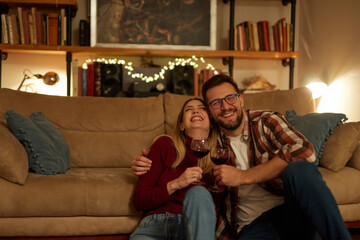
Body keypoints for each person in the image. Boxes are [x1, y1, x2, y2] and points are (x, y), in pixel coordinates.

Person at [131, 74, 351, 240]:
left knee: (299, 168)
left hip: (288, 214)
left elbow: (305, 151)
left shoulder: (266, 121)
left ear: (241, 100)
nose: (225, 106)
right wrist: (145, 162)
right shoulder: (211, 144)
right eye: (216, 103)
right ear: (211, 112)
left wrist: (243, 176)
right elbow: (181, 154)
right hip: (250, 227)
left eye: (230, 98)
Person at [130, 98, 219, 240]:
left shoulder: (220, 156)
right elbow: (139, 201)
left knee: (199, 193)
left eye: (202, 108)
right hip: (155, 225)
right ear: (182, 125)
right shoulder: (164, 145)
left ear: (212, 122)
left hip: (192, 230)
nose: (195, 110)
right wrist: (176, 183)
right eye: (189, 109)